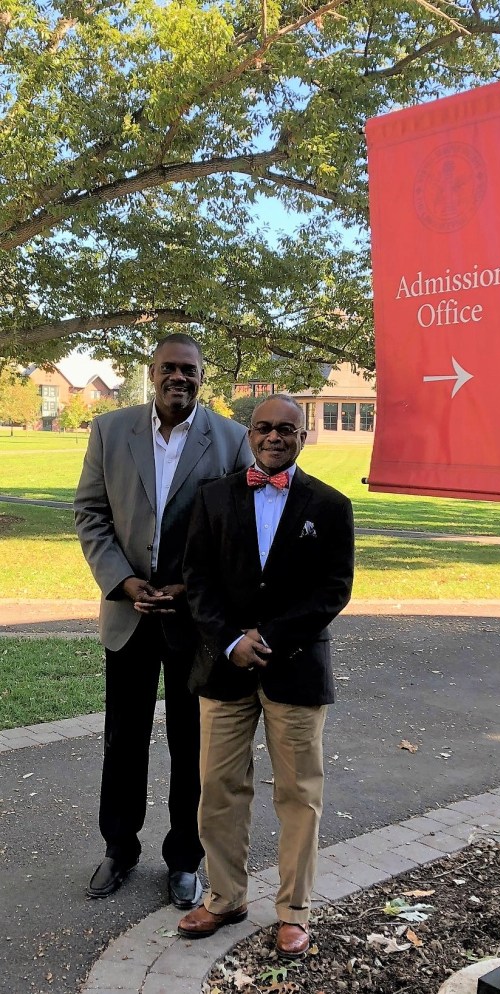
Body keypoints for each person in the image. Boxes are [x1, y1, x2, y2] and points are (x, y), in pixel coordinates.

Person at [74, 333, 252, 908]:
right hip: (128, 614)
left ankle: (184, 860)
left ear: (203, 377)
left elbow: (243, 527)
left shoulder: (229, 439)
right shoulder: (109, 430)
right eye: (168, 368)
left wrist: (193, 586)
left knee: (189, 741)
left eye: (190, 370)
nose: (179, 378)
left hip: (192, 619)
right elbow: (92, 513)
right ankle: (119, 849)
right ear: (151, 374)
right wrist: (123, 582)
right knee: (123, 738)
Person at [177, 394, 354, 957]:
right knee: (218, 789)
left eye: (287, 429)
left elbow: (334, 589)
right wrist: (231, 640)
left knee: (299, 794)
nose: (274, 436)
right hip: (224, 668)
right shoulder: (213, 499)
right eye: (263, 428)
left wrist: (271, 637)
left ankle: (294, 910)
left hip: (295, 669)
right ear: (248, 435)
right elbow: (196, 580)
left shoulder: (329, 505)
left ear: (303, 436)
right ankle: (225, 897)